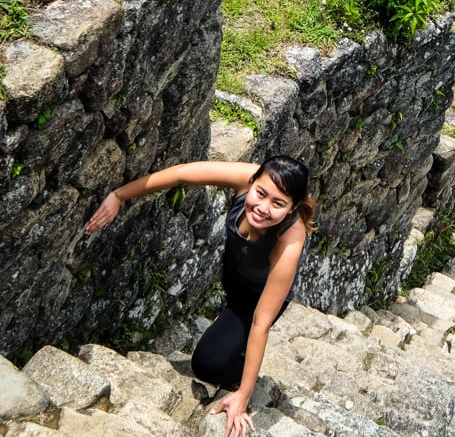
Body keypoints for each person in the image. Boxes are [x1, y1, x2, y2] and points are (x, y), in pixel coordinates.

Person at [85, 156, 316, 437]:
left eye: (278, 204)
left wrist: (243, 395)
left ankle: (245, 372)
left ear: (293, 208)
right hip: (234, 276)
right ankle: (235, 347)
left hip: (257, 296)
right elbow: (181, 173)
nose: (263, 208)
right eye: (261, 193)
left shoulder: (290, 240)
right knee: (224, 339)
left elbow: (261, 322)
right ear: (253, 181)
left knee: (207, 365)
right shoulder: (243, 178)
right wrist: (118, 196)